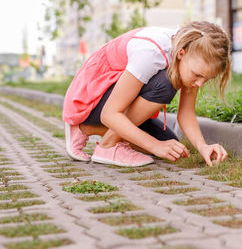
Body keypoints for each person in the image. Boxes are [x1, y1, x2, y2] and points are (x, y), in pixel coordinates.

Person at [63, 21, 231, 167]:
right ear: (181, 53)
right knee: (165, 85)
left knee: (169, 145)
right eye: (198, 75)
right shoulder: (151, 54)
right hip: (90, 99)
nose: (200, 83)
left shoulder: (191, 55)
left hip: (112, 105)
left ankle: (85, 128)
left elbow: (186, 114)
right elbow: (109, 114)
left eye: (206, 79)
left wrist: (203, 147)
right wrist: (154, 146)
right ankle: (107, 146)